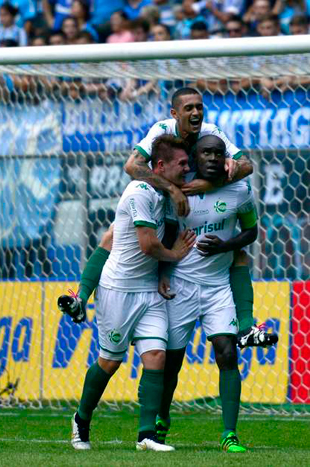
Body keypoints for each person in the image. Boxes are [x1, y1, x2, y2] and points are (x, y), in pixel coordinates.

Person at [59, 87, 277, 349]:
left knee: (236, 251)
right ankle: (81, 298)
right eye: (189, 109)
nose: (196, 112)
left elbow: (247, 166)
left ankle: (245, 326)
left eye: (199, 107)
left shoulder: (211, 132)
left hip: (197, 202)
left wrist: (211, 183)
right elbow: (132, 166)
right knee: (112, 235)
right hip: (163, 199)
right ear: (175, 114)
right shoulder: (161, 129)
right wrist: (172, 189)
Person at [69, 135, 196, 452]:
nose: (187, 169)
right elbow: (149, 245)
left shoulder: (167, 199)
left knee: (156, 357)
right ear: (161, 166)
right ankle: (81, 418)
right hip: (118, 290)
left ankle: (146, 436)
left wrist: (165, 273)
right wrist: (176, 255)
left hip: (149, 292)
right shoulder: (138, 193)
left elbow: (163, 242)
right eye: (182, 164)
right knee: (109, 362)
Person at [155, 135, 257, 453]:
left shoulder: (240, 189)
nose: (213, 158)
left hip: (217, 287)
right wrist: (162, 273)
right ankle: (160, 419)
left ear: (226, 158)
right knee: (170, 362)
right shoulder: (179, 189)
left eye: (218, 153)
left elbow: (251, 230)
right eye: (206, 153)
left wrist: (226, 246)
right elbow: (168, 232)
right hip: (181, 285)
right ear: (195, 158)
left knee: (227, 352)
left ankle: (230, 434)